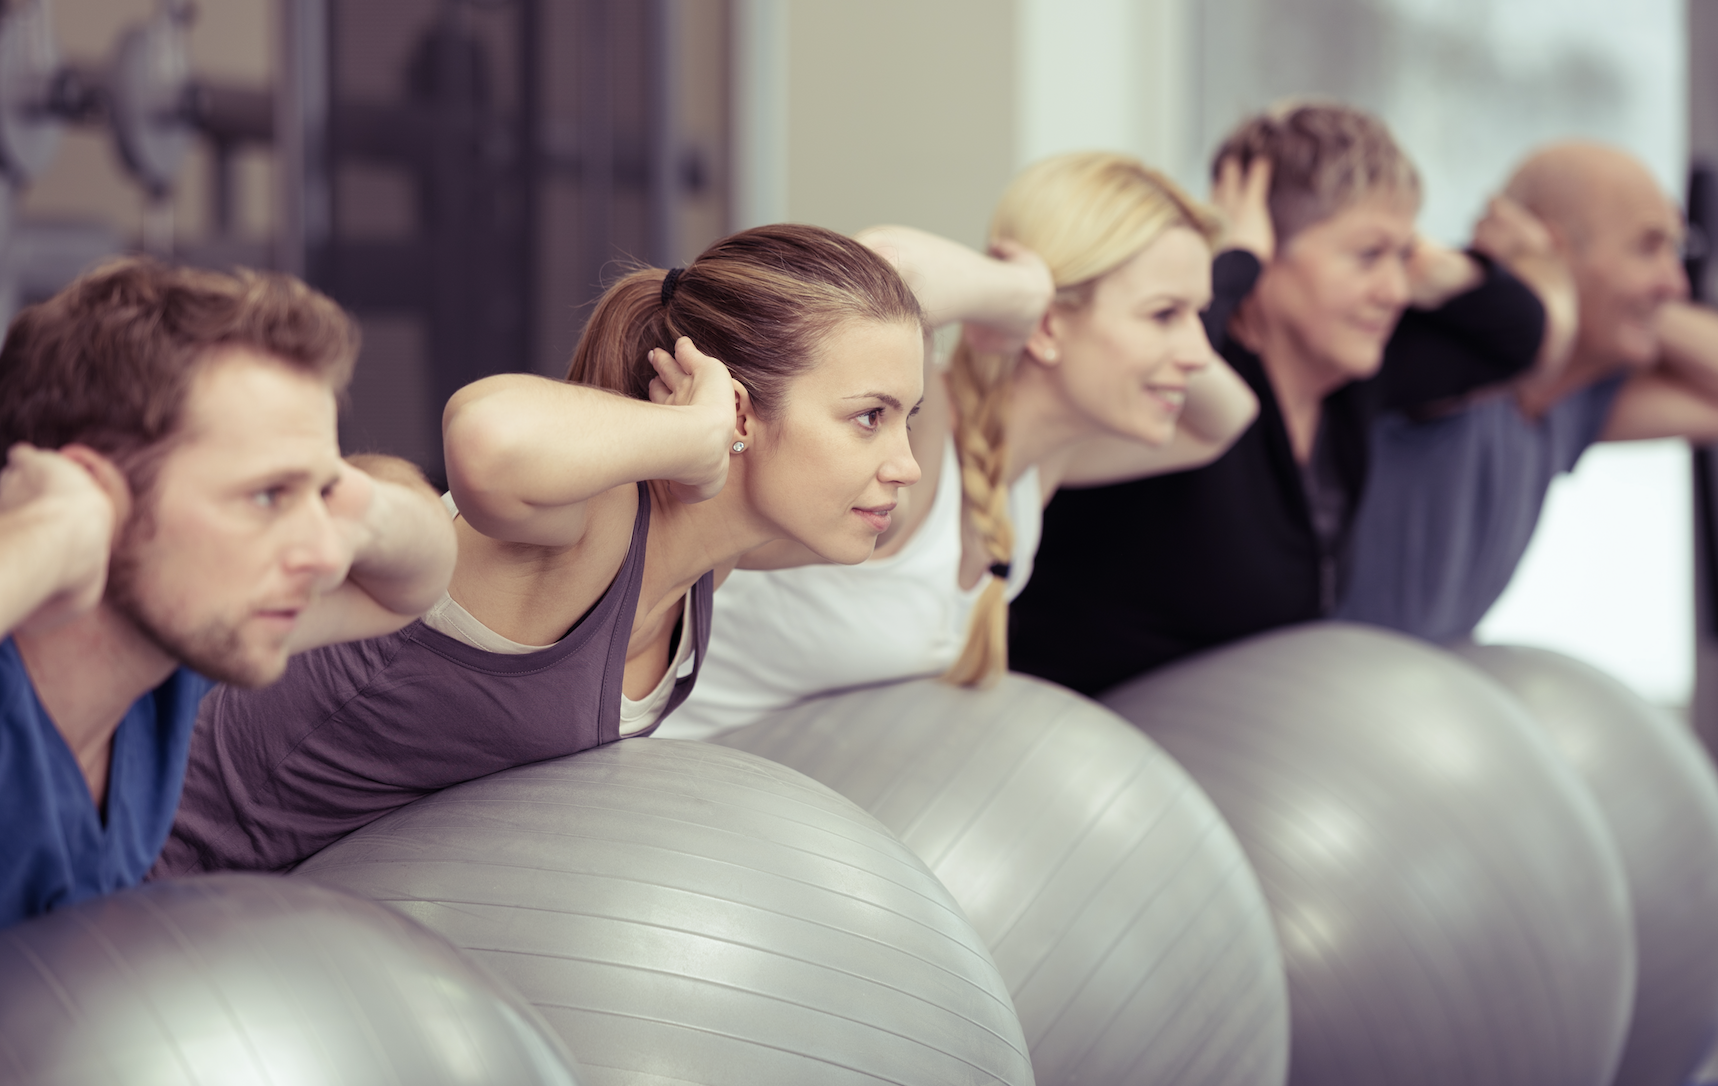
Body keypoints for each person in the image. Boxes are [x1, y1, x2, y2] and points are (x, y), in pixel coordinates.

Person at [155, 223, 928, 876]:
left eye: (908, 418)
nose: (906, 462)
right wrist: (691, 435)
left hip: (310, 921)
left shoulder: (720, 547)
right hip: (165, 872)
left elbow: (909, 276)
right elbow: (484, 438)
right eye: (869, 417)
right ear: (739, 410)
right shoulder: (598, 519)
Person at [659, 151, 1262, 739]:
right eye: (1164, 315)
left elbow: (1227, 418)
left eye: (1197, 315)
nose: (1195, 352)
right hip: (644, 783)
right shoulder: (914, 431)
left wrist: (1225, 266)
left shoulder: (1037, 464)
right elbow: (882, 271)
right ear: (1049, 326)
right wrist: (1027, 291)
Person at [1009, 103, 1551, 695]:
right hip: (1072, 739)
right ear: (1268, 252)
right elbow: (1163, 351)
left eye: (1403, 256)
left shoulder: (1357, 380)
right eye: (1368, 255)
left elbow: (1517, 337)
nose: (1395, 290)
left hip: (1226, 753)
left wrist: (1447, 267)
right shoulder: (1178, 388)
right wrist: (1235, 260)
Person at [0, 257, 457, 927]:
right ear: (94, 496)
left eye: (318, 493)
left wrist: (350, 504)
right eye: (266, 495)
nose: (325, 556)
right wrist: (50, 531)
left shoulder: (164, 659)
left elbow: (410, 587)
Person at [1337, 141, 1718, 641]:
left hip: (1406, 696)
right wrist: (1543, 279)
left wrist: (1632, 301)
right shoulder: (1450, 353)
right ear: (1556, 248)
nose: (1675, 283)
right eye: (1648, 248)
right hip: (1312, 691)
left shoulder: (1571, 401)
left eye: (1675, 251)